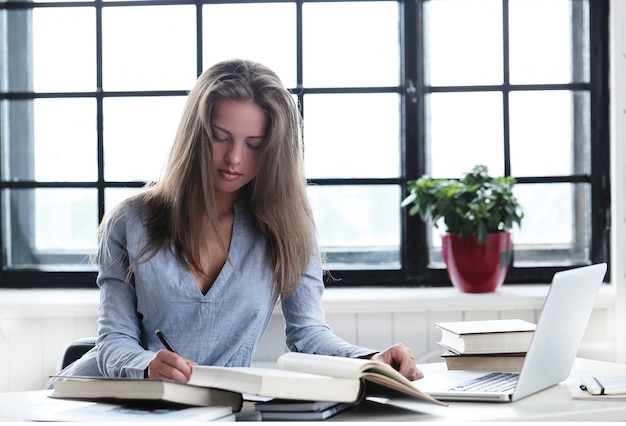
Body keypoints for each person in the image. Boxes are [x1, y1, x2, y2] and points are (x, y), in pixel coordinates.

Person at [48, 58, 422, 388]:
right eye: (220, 138)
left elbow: (308, 335)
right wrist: (147, 365)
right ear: (195, 135)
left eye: (255, 144)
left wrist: (369, 361)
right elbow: (114, 340)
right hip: (98, 400)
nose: (234, 158)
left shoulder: (289, 228)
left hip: (213, 409)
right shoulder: (131, 221)